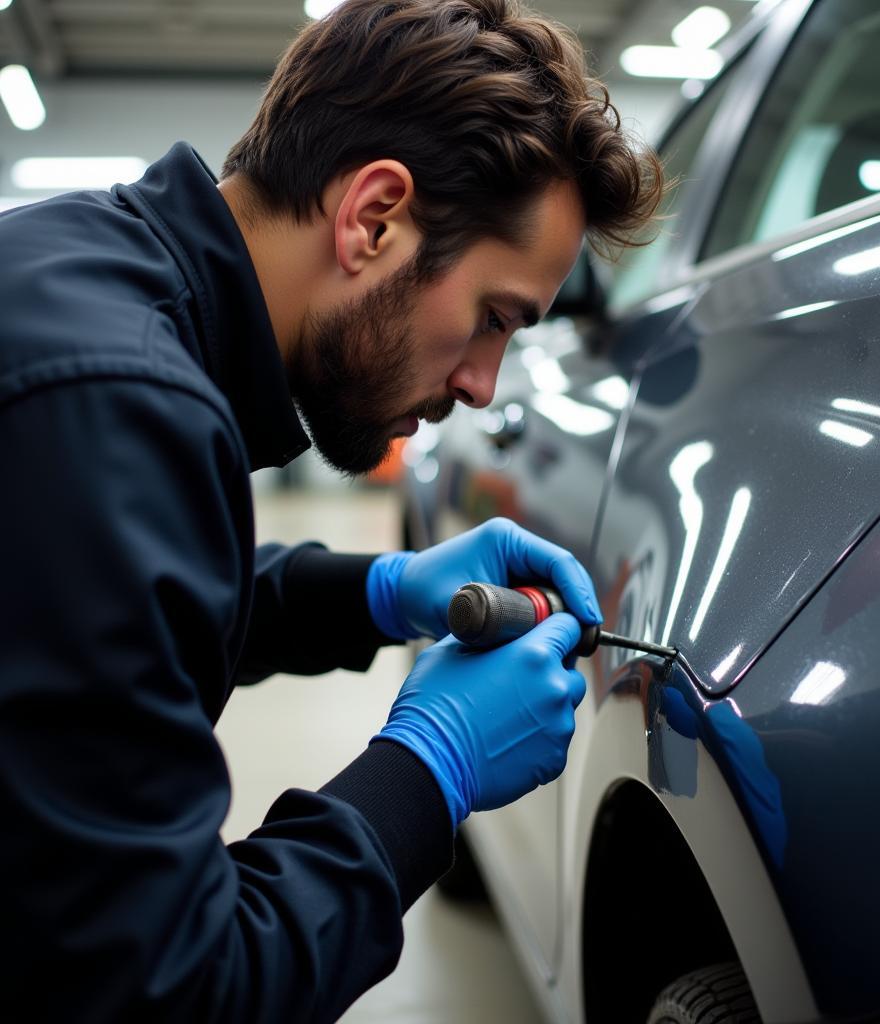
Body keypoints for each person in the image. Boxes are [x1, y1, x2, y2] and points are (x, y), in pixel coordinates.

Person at [0, 0, 662, 1019]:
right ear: (373, 218)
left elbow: (116, 615)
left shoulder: (88, 277)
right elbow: (168, 990)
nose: (485, 386)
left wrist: (378, 594)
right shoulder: (116, 408)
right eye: (493, 319)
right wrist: (425, 771)